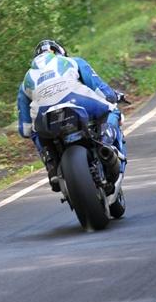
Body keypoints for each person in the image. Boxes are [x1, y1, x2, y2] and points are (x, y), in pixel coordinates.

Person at [16, 39, 126, 192]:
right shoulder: (73, 61)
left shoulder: (25, 81)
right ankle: (105, 143)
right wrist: (114, 96)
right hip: (77, 100)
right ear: (60, 52)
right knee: (112, 110)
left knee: (35, 131)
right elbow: (102, 91)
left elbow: (25, 129)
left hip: (44, 115)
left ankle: (51, 165)